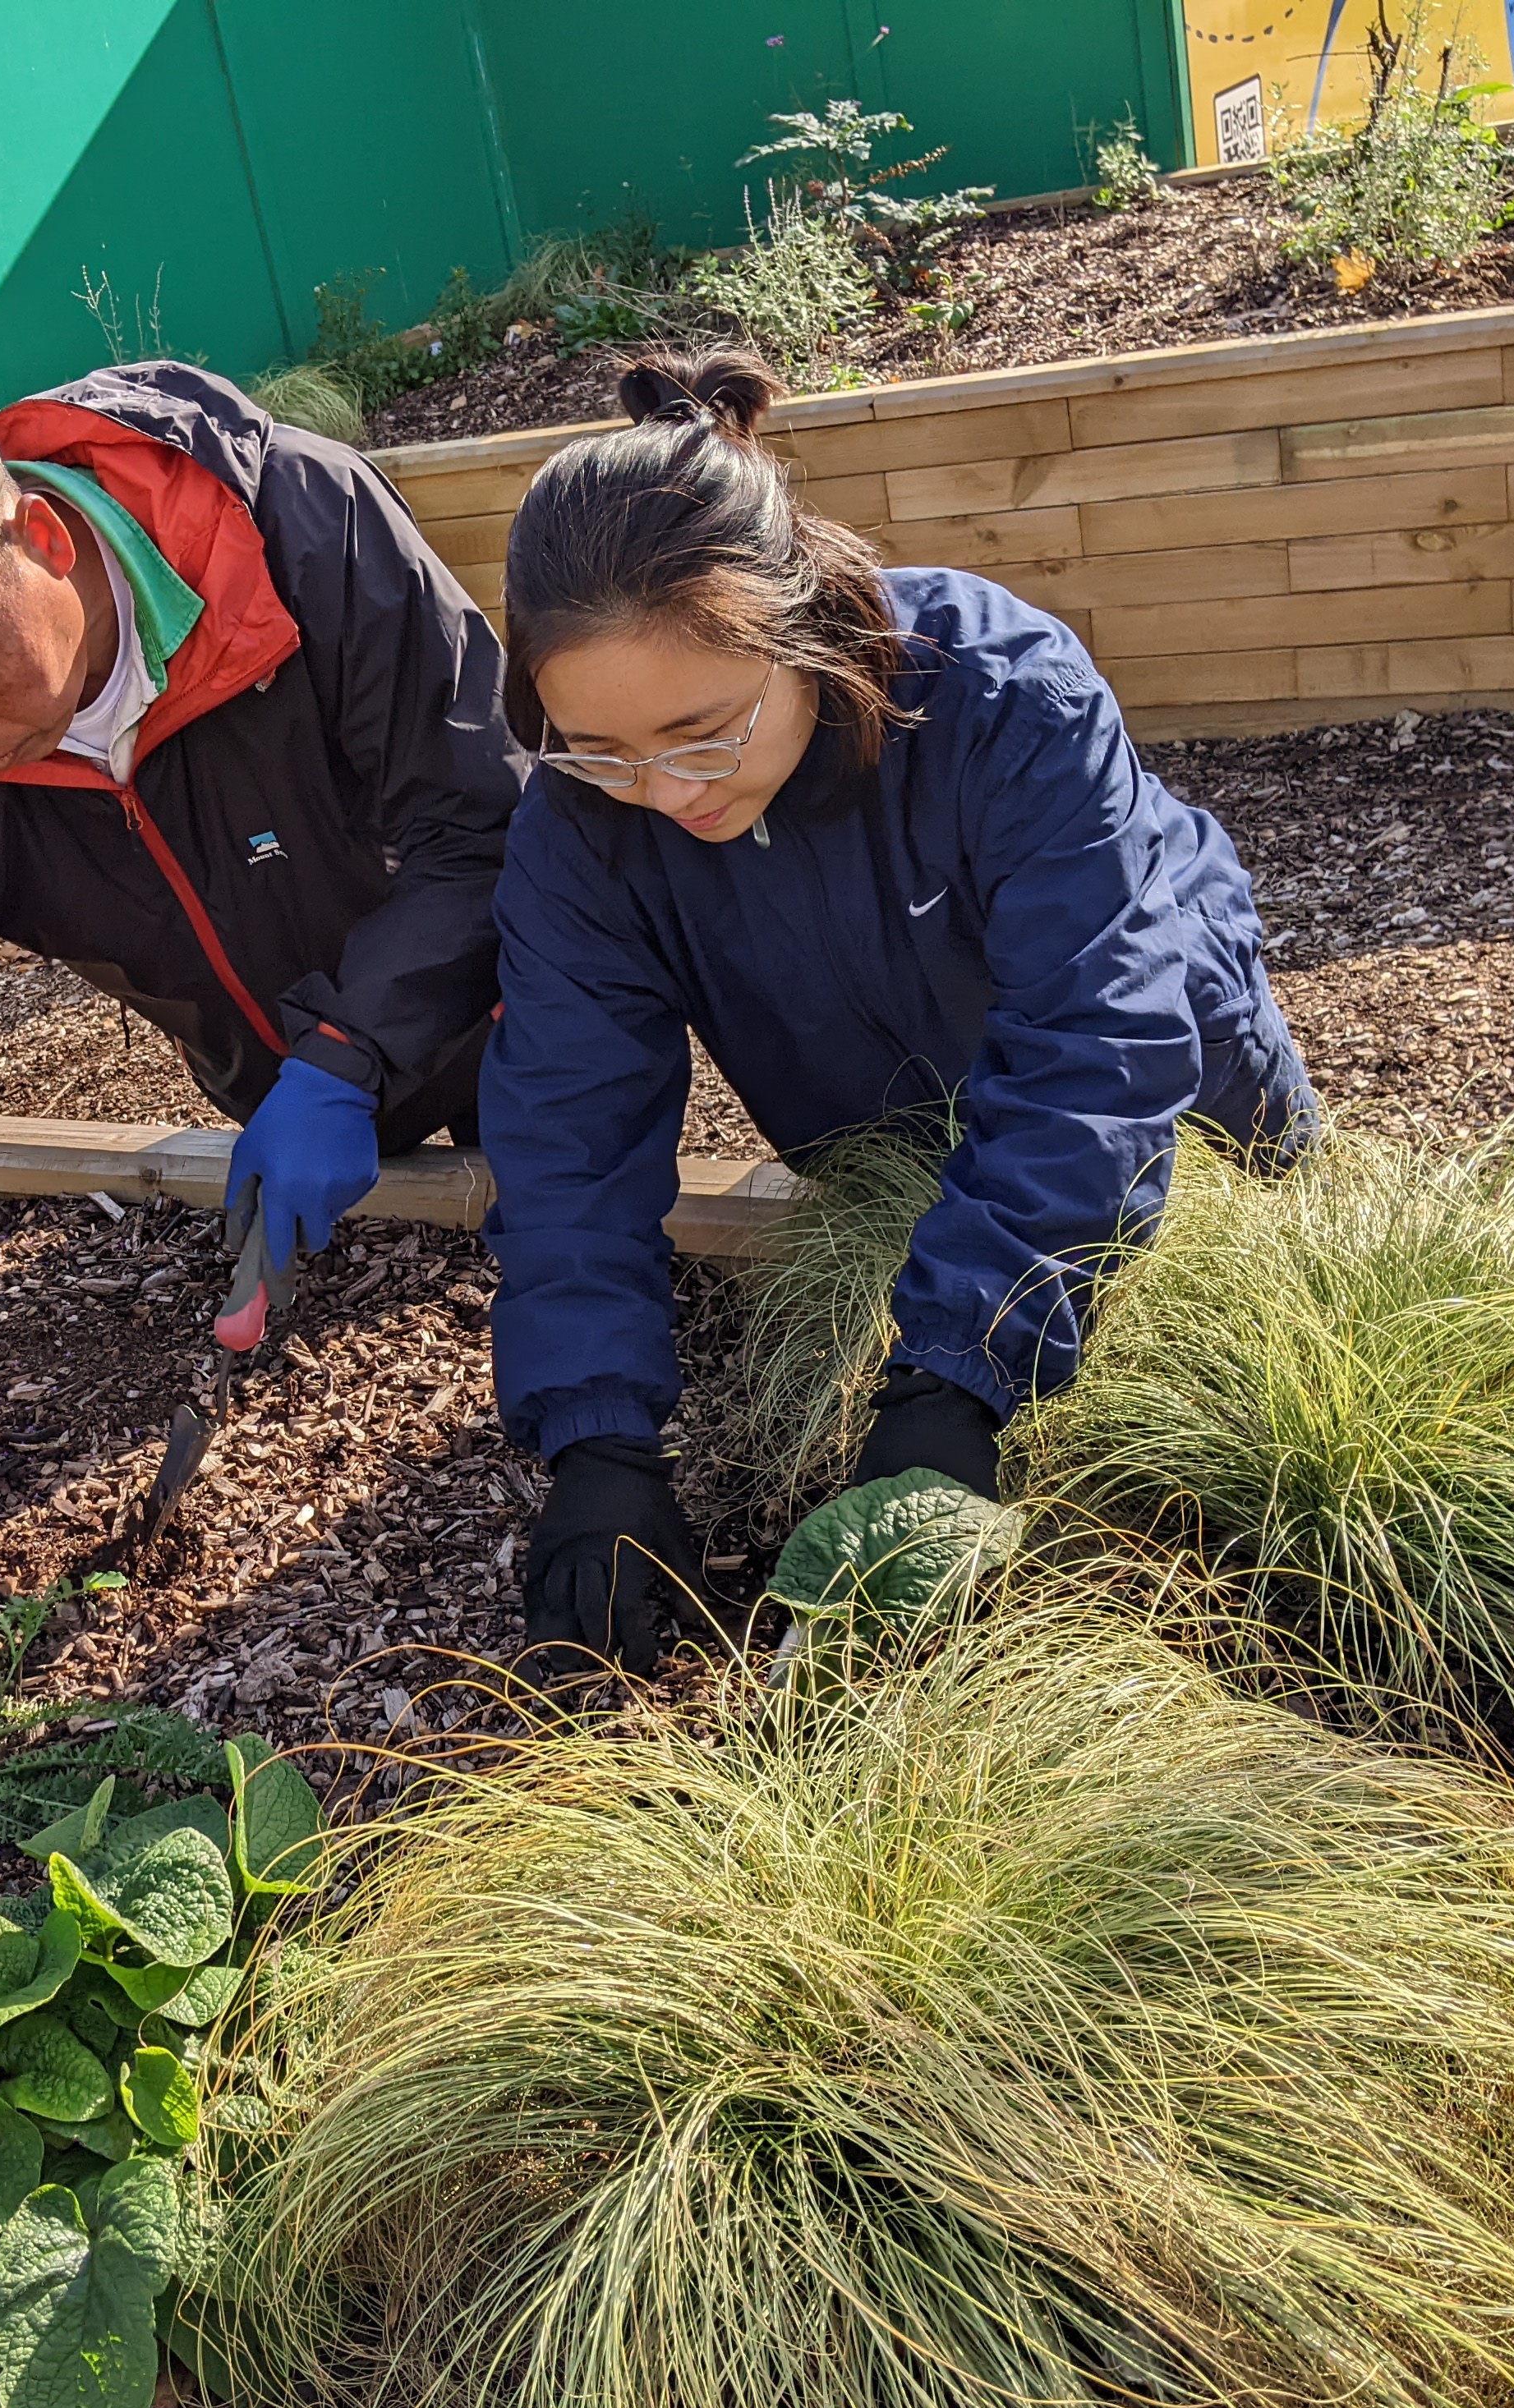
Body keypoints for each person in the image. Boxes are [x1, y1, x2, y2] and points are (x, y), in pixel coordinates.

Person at [481, 347, 1318, 1670]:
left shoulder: (1003, 698)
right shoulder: (583, 828)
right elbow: (570, 1130)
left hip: (1175, 1084)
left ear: (801, 630)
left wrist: (955, 1371)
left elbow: (1101, 1034)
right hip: (875, 1125)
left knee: (1267, 1373)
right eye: (601, 748)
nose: (667, 791)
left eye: (703, 730)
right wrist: (597, 1442)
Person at [0, 364, 522, 1550]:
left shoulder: (297, 531)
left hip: (509, 1002)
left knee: (571, 1228)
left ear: (37, 536)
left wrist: (355, 1052)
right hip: (277, 1078)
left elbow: (482, 829)